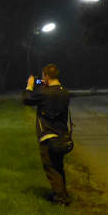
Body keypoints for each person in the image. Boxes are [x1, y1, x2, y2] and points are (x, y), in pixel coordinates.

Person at [23, 64, 72, 205]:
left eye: (43, 76)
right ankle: (61, 192)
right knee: (58, 166)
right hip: (62, 136)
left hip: (48, 135)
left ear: (46, 76)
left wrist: (30, 85)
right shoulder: (64, 92)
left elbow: (27, 99)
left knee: (50, 167)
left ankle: (60, 198)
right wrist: (45, 86)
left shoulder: (44, 93)